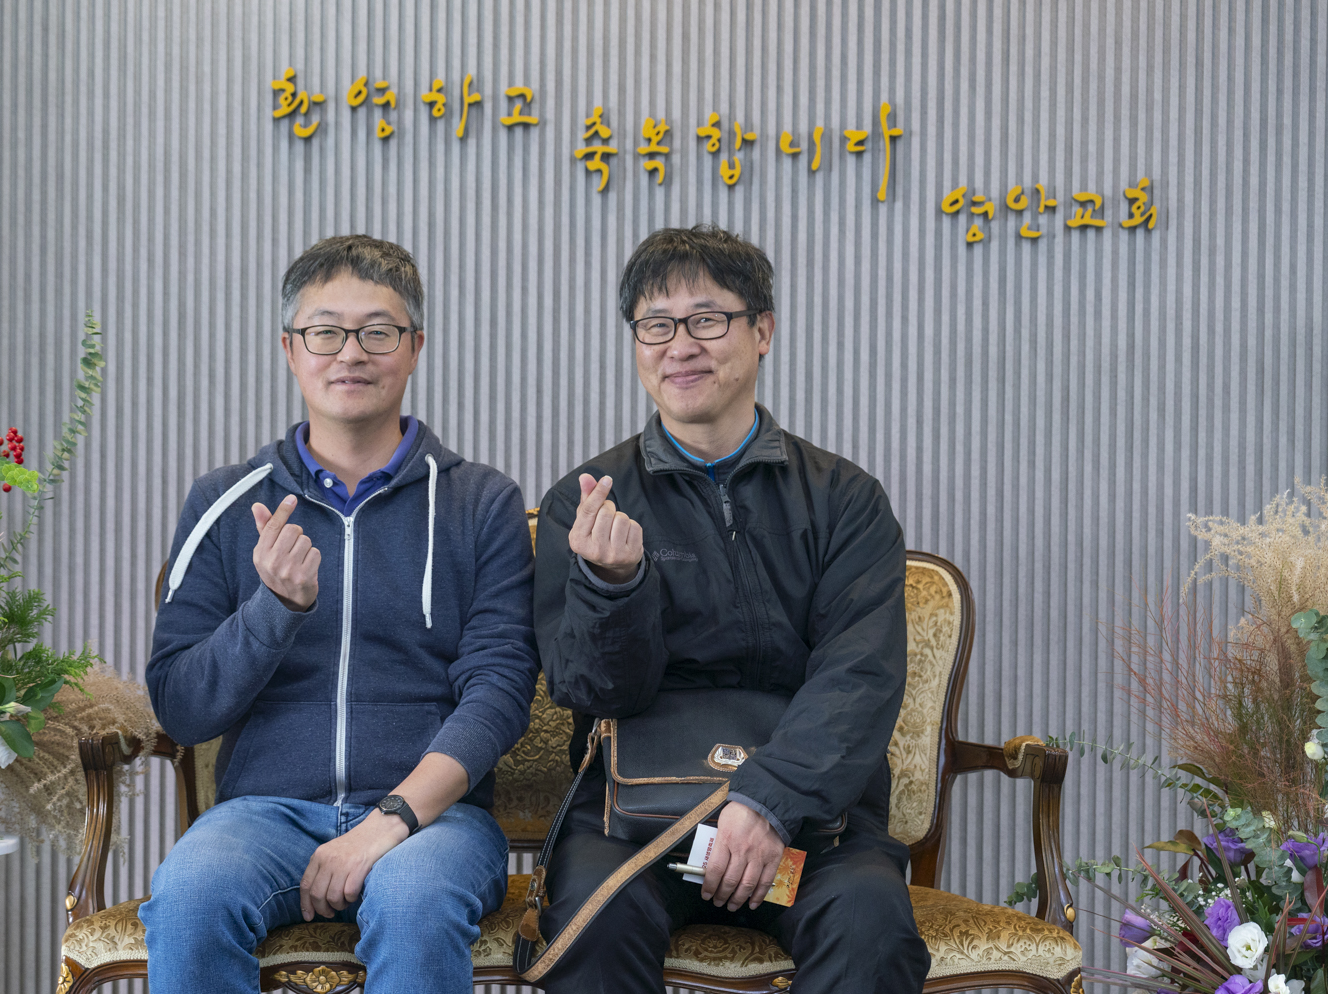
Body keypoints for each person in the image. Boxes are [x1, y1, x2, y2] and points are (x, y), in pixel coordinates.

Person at [532, 224, 930, 991]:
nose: (680, 346)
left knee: (868, 928)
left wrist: (768, 804)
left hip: (812, 828)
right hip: (634, 825)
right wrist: (612, 586)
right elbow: (586, 691)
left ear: (763, 331)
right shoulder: (586, 505)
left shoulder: (845, 501)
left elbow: (859, 675)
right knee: (594, 922)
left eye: (707, 320)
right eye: (656, 325)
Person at [141, 235, 539, 994]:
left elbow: (499, 692)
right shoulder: (224, 500)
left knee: (416, 901)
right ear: (290, 350)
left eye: (378, 332)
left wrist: (392, 819)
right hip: (261, 816)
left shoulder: (480, 503)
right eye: (325, 332)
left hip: (434, 823)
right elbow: (182, 708)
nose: (350, 354)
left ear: (415, 348)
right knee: (191, 896)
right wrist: (274, 610)